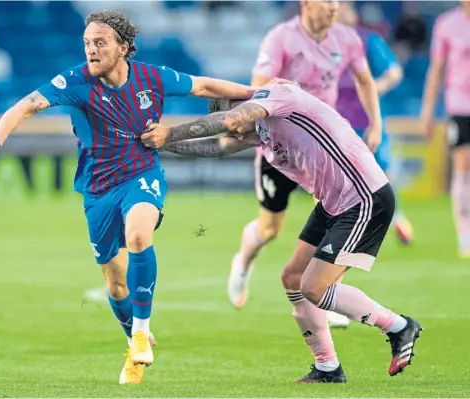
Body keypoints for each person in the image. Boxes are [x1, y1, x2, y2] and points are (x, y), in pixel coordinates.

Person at [0, 10, 254, 385]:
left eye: (100, 42)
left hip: (142, 175)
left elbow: (203, 86)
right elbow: (26, 105)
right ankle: (132, 344)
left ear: (123, 48)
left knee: (138, 235)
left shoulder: (152, 76)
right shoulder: (75, 80)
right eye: (87, 43)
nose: (91, 50)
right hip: (98, 188)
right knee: (115, 285)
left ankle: (140, 332)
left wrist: (256, 95)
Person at [141, 81, 423, 382]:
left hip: (363, 197)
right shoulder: (260, 126)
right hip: (334, 202)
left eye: (234, 122)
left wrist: (170, 132)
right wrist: (162, 144)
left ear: (240, 105)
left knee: (314, 287)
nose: (235, 133)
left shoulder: (278, 95)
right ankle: (327, 367)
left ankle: (399, 326)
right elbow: (220, 145)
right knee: (292, 279)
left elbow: (229, 122)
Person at [227, 0, 383, 330]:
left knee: (336, 216)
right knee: (270, 228)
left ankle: (323, 292)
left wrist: (376, 125)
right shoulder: (280, 38)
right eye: (327, 1)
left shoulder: (348, 39)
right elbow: (257, 91)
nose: (334, 8)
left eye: (337, 2)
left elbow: (365, 80)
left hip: (323, 148)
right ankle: (243, 259)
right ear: (306, 4)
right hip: (281, 146)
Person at [336, 1, 413, 244]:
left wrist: (377, 86)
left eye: (343, 8)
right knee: (334, 176)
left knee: (381, 173)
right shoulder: (317, 45)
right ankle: (341, 228)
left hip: (366, 119)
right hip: (333, 120)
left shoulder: (366, 40)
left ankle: (397, 218)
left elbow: (394, 71)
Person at [421, 1, 470, 258]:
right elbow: (437, 68)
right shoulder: (447, 24)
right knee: (463, 166)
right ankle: (465, 235)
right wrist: (427, 110)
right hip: (460, 107)